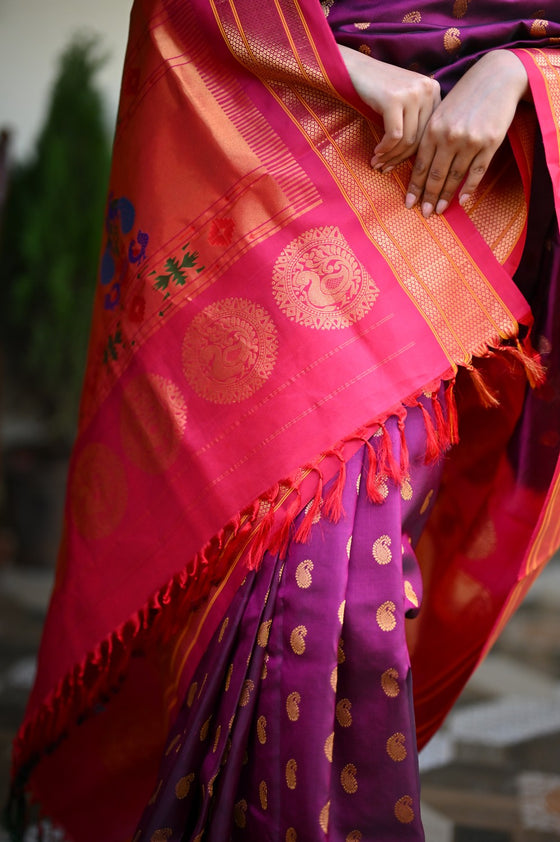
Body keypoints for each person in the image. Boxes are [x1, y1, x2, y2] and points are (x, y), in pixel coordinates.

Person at [6, 1, 560, 840]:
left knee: (352, 604)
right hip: (294, 153)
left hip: (456, 205)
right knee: (261, 586)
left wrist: (520, 73)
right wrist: (344, 69)